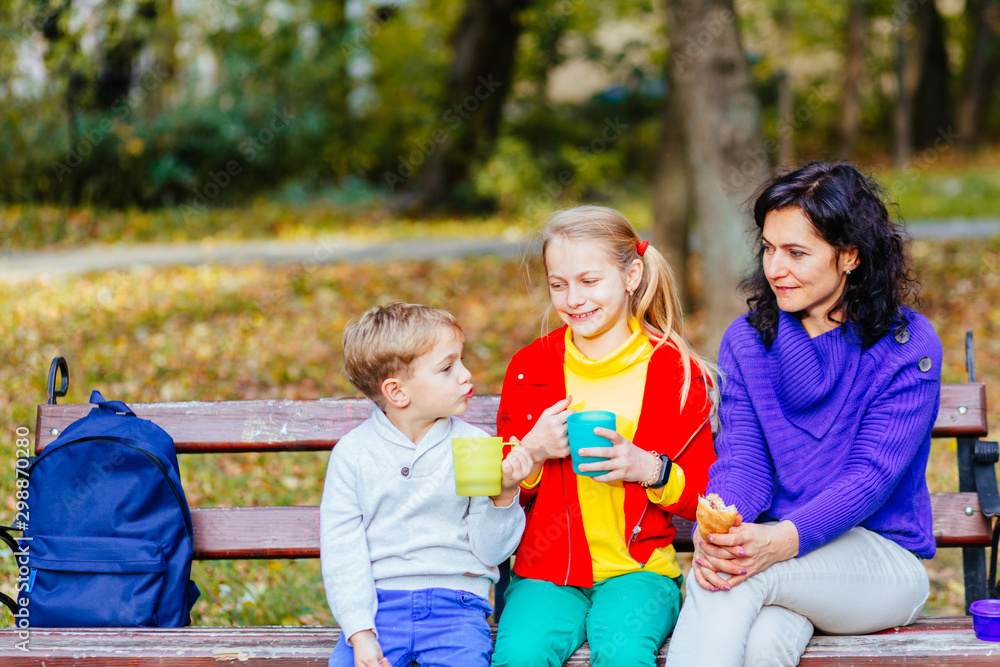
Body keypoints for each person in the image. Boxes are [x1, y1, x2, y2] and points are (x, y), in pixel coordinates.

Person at [664, 161, 941, 667]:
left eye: (796, 252)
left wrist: (775, 542)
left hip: (882, 563)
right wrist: (722, 524)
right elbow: (744, 463)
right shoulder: (748, 341)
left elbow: (869, 479)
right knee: (763, 642)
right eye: (769, 248)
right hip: (784, 556)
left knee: (736, 576)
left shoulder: (906, 345)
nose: (775, 269)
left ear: (850, 256)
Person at [491, 205, 717, 667]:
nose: (573, 299)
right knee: (519, 656)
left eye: (589, 281)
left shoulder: (674, 371)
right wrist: (532, 452)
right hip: (545, 572)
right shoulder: (530, 368)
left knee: (622, 653)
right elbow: (498, 492)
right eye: (559, 284)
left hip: (640, 572)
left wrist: (648, 469)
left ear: (632, 275)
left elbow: (707, 497)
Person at [320, 302, 534, 667]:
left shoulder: (474, 447)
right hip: (378, 608)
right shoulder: (353, 455)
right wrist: (360, 632)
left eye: (462, 361)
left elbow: (490, 552)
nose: (466, 375)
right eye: (448, 368)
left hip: (458, 607)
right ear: (398, 392)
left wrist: (505, 494)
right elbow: (343, 552)